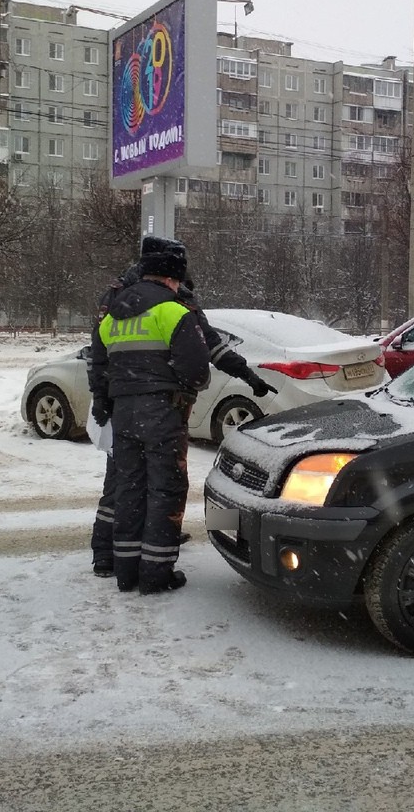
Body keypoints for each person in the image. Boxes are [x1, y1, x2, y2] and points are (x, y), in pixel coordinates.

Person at [87, 245, 278, 578]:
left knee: (125, 486)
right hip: (162, 411)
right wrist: (186, 385)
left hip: (123, 411)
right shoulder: (175, 309)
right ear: (172, 277)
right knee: (165, 488)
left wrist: (103, 400)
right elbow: (199, 363)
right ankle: (156, 571)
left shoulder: (116, 306)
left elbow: (98, 359)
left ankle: (121, 563)